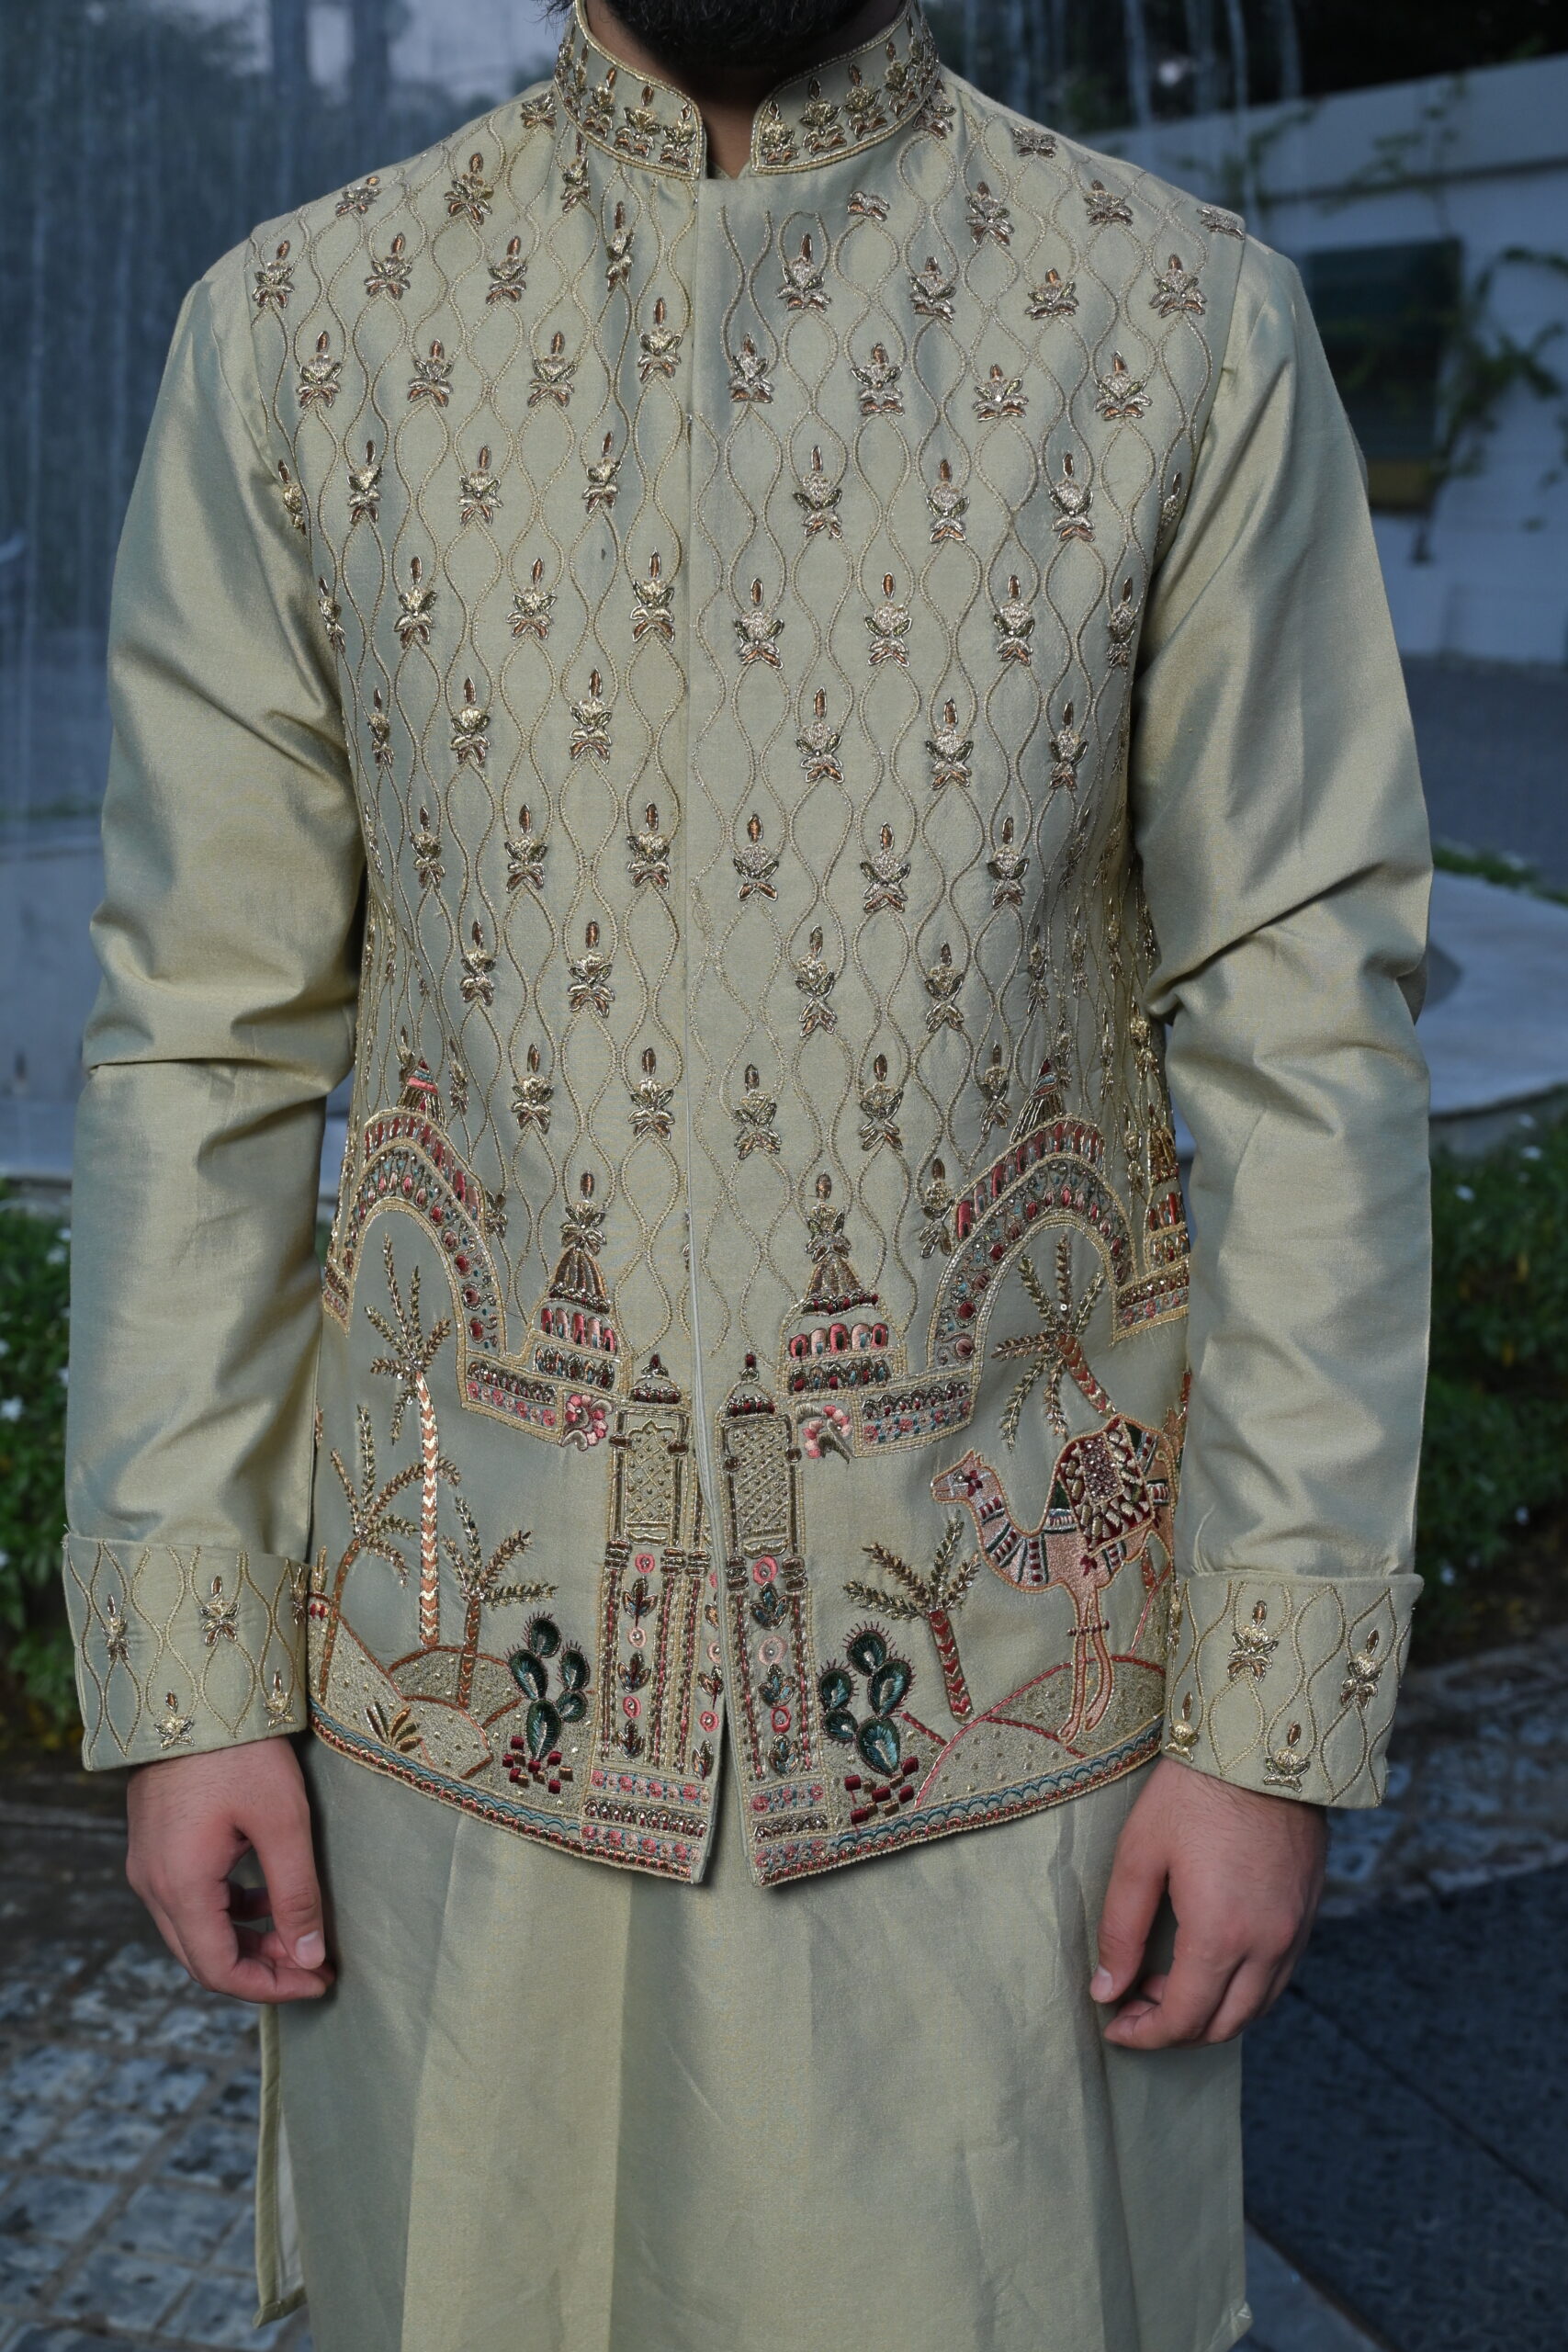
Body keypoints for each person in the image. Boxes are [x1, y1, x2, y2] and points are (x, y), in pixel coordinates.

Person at [59, 2, 1431, 2346]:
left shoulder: (1170, 322)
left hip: (996, 1754)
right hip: (454, 1714)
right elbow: (198, 1036)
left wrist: (1264, 1728)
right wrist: (189, 1677)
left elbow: (1311, 1045)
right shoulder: (300, 332)